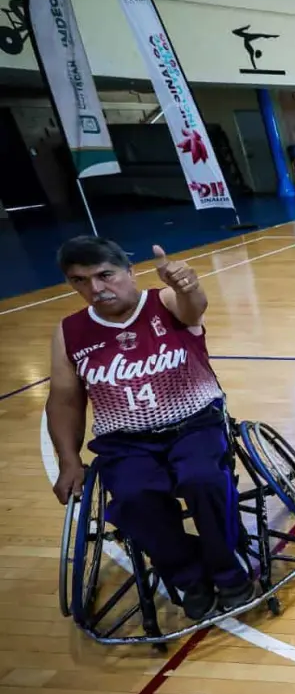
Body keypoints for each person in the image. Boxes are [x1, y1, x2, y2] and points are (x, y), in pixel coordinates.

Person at [47, 236, 251, 620]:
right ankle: (189, 576)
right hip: (124, 440)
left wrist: (188, 286)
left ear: (129, 271)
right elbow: (64, 400)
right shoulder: (69, 332)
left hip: (194, 422)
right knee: (134, 499)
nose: (95, 288)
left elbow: (194, 311)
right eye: (80, 280)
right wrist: (68, 460)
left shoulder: (164, 301)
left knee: (203, 479)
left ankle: (228, 568)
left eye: (105, 275)